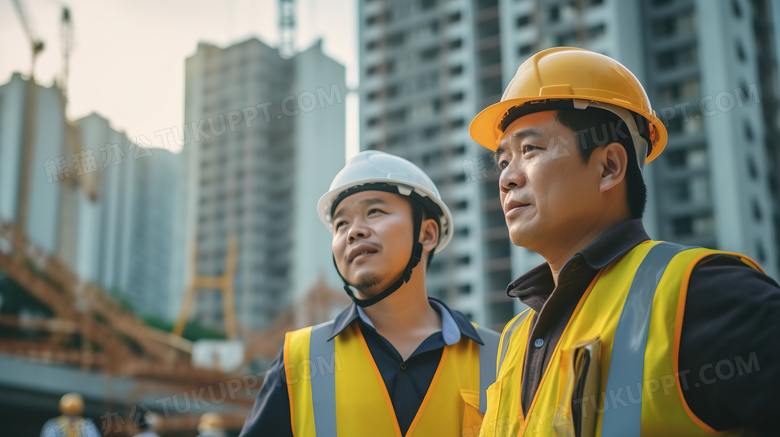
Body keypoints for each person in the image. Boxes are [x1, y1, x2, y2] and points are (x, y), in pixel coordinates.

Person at [469, 46, 780, 436]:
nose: (506, 178)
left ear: (609, 167)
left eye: (530, 149)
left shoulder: (701, 292)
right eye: (502, 161)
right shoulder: (515, 339)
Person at [239, 150, 500, 437]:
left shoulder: (500, 357)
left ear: (427, 234)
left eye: (374, 212)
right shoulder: (299, 359)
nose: (353, 232)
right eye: (341, 224)